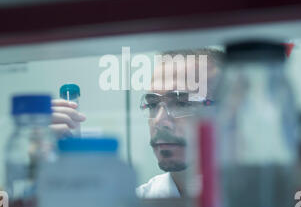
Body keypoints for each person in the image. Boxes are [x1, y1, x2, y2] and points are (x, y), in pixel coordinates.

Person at [49, 48, 223, 198]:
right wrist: (53, 167)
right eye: (153, 105)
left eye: (182, 103)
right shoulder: (135, 206)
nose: (159, 121)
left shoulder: (248, 203)